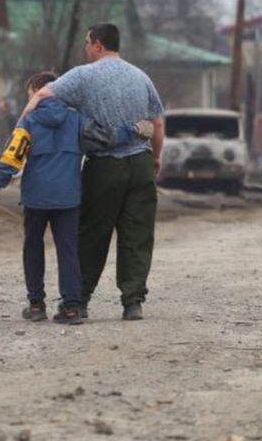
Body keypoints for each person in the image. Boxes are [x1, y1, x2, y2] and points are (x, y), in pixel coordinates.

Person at [25, 23, 165, 322]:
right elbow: (158, 123)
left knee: (91, 234)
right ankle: (132, 302)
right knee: (137, 234)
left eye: (88, 43)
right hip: (140, 162)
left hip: (104, 165)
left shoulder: (82, 75)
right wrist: (155, 157)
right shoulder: (140, 76)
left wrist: (22, 125)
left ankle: (79, 301)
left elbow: (43, 96)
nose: (86, 48)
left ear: (98, 45)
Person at [0, 70, 151, 325]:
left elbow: (14, 154)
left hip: (36, 197)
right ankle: (72, 308)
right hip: (68, 198)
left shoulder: (29, 121)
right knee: (68, 250)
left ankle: (36, 305)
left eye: (31, 95)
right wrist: (135, 130)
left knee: (33, 247)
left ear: (38, 93)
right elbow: (106, 138)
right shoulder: (76, 120)